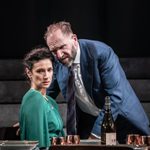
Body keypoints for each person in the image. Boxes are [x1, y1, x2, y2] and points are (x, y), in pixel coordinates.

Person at [44, 21, 150, 143]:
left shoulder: (101, 53)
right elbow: (47, 95)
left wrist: (95, 136)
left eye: (62, 47)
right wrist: (32, 115)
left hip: (122, 122)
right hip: (88, 124)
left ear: (74, 39)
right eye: (53, 50)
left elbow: (115, 97)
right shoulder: (58, 62)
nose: (59, 55)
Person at [19, 47, 65, 149]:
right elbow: (35, 144)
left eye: (49, 70)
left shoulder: (51, 101)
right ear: (29, 73)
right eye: (40, 71)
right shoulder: (34, 98)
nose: (46, 76)